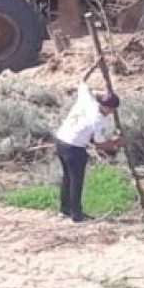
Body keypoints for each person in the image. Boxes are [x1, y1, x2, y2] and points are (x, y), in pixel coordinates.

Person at [53, 82, 124, 222]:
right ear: (111, 109)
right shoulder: (99, 120)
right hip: (74, 147)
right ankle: (76, 215)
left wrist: (98, 93)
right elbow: (99, 145)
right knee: (76, 180)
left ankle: (65, 209)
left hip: (61, 140)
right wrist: (116, 142)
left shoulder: (87, 100)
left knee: (67, 177)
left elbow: (83, 85)